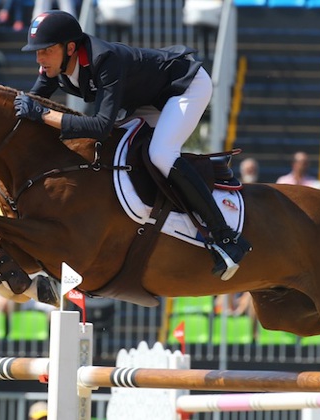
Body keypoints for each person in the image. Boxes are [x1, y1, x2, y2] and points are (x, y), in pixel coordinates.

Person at [14, 11, 251, 280]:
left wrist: (44, 115)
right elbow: (31, 106)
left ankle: (227, 238)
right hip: (147, 100)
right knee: (119, 150)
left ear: (70, 48)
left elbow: (100, 125)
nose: (39, 59)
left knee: (161, 154)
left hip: (184, 87)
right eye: (36, 52)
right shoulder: (52, 67)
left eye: (45, 51)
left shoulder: (105, 60)